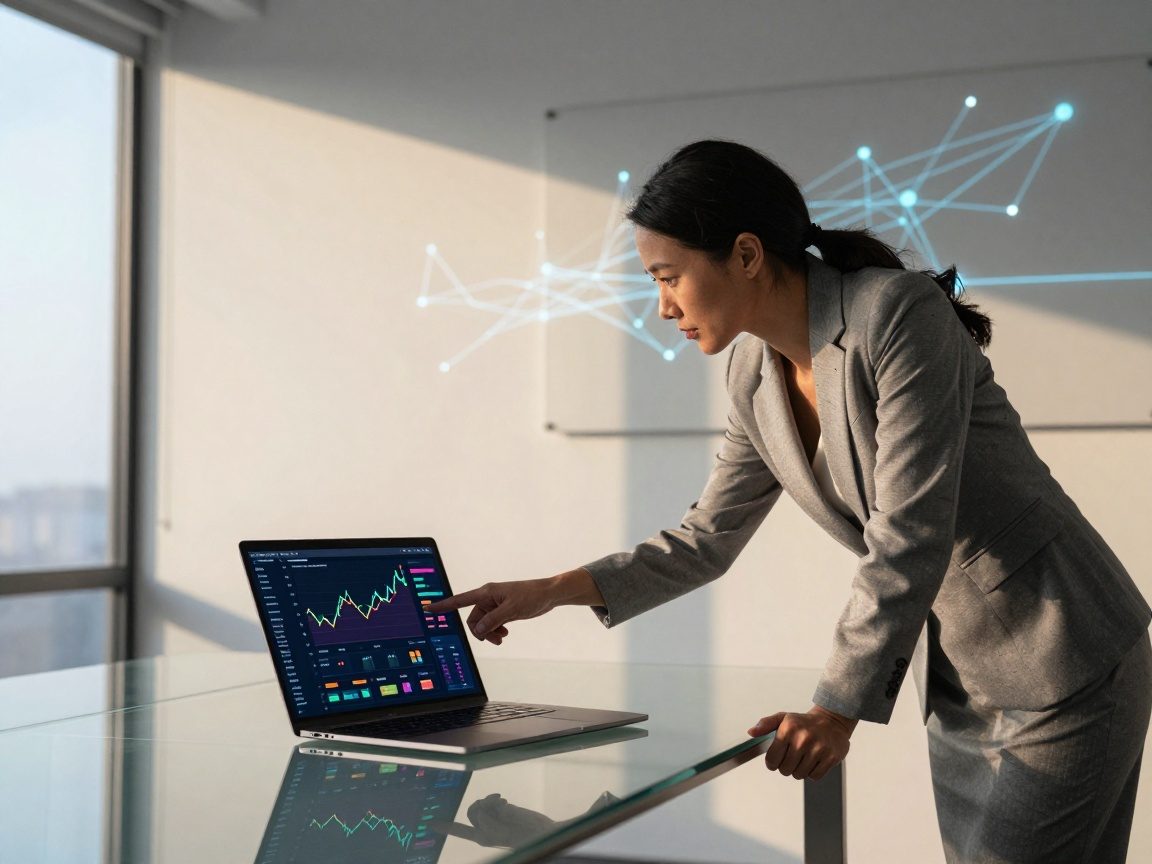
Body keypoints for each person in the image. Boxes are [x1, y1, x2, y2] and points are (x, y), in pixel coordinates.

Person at [426, 140, 1152, 863]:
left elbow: (910, 532)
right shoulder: (752, 370)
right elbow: (707, 536)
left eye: (669, 276)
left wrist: (835, 709)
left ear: (745, 254)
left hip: (1065, 656)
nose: (662, 306)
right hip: (961, 680)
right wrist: (552, 590)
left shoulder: (896, 316)